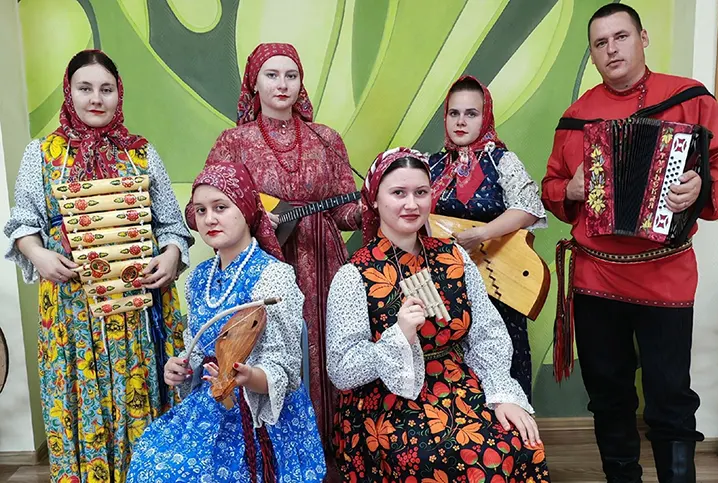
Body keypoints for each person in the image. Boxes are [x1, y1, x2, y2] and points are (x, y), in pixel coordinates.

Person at [541, 4, 718, 482]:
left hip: (665, 274)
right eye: (600, 43)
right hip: (596, 276)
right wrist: (569, 190)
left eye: (620, 37)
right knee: (608, 394)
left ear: (643, 38)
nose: (611, 49)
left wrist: (701, 186)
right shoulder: (575, 118)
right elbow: (550, 187)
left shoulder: (690, 98)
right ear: (593, 54)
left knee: (669, 395)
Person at [3, 50, 193, 482]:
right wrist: (38, 254)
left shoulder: (141, 154)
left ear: (118, 94)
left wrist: (170, 254)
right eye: (85, 88)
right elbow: (22, 223)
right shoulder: (42, 154)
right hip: (71, 310)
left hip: (134, 311)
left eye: (106, 89)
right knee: (78, 395)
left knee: (137, 393)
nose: (96, 98)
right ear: (69, 92)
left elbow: (171, 225)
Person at [326, 147, 549, 482]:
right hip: (385, 400)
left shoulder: (452, 255)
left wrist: (502, 395)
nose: (411, 204)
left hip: (455, 381)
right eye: (398, 193)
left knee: (520, 442)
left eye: (421, 192)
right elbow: (342, 370)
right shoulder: (353, 274)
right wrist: (398, 336)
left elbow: (487, 333)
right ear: (374, 200)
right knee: (450, 458)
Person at [202, 42, 362, 468]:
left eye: (291, 75)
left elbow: (344, 212)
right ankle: (278, 458)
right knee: (273, 352)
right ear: (253, 83)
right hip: (262, 266)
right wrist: (255, 219)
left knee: (331, 348)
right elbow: (209, 204)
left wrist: (370, 209)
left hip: (324, 260)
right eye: (271, 75)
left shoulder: (326, 139)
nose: (282, 84)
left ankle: (333, 453)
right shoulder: (234, 141)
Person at [126, 162, 326, 482]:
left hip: (261, 416)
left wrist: (248, 376)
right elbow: (196, 347)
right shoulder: (199, 278)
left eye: (221, 207)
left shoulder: (273, 276)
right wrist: (182, 369)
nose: (209, 219)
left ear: (245, 209)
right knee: (150, 463)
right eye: (201, 210)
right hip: (210, 402)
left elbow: (285, 370)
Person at [429, 75, 547, 400]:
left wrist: (481, 234)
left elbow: (528, 208)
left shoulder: (502, 161)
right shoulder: (431, 166)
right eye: (454, 113)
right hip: (445, 288)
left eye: (471, 113)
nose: (461, 121)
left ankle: (513, 430)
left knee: (504, 367)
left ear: (486, 117)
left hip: (498, 286)